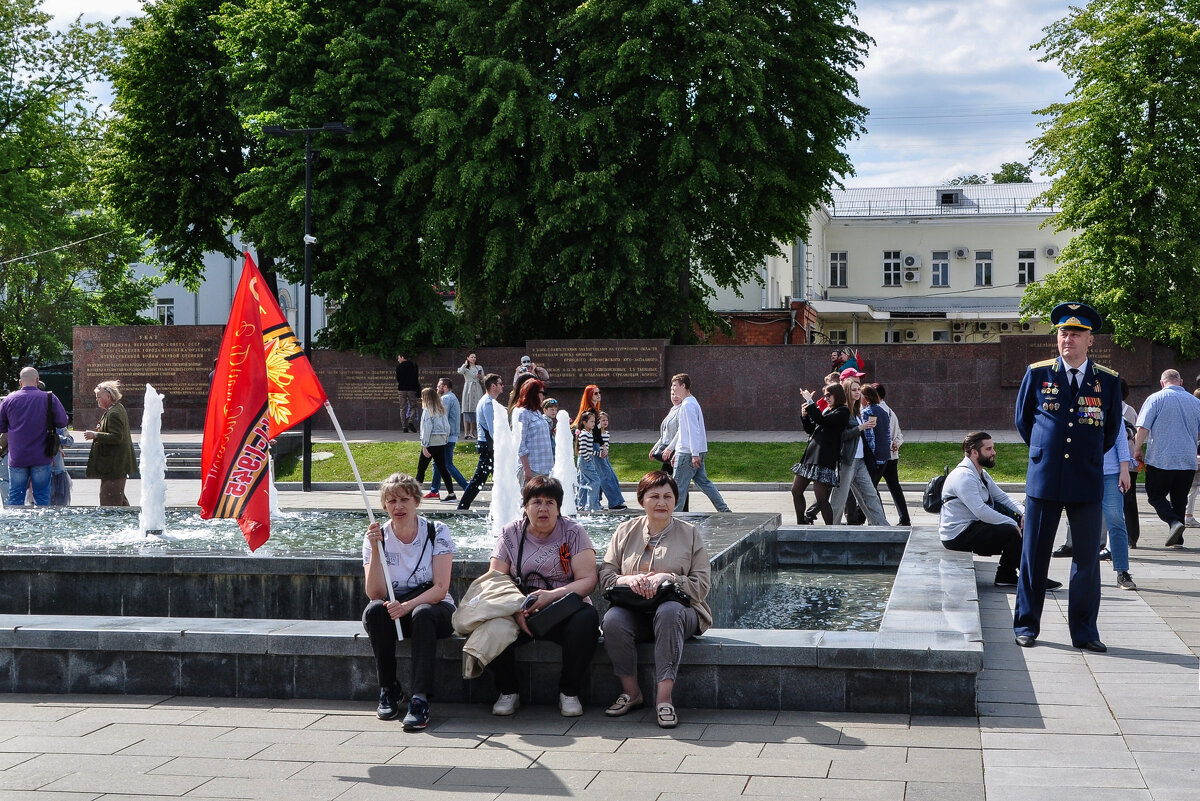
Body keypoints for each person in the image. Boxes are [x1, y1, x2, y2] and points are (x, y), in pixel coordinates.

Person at [1013, 301, 1120, 652]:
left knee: (1087, 559)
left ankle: (1085, 632)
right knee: (1034, 554)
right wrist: (1047, 450)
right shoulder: (1038, 373)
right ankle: (1027, 625)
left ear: (1091, 340)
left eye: (1075, 333)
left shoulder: (1107, 380)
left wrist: (1083, 457)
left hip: (1086, 478)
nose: (1067, 339)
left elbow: (1111, 430)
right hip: (1045, 476)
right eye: (1062, 332)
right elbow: (1024, 422)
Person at [600, 471, 711, 729]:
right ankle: (632, 692)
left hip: (681, 613)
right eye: (654, 496)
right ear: (642, 500)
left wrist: (667, 577)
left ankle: (664, 699)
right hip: (634, 610)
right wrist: (626, 580)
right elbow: (606, 572)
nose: (661, 502)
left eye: (667, 496)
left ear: (676, 500)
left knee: (670, 611)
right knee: (612, 619)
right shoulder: (625, 530)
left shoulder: (690, 534)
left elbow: (702, 585)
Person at [487, 476, 599, 717]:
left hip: (563, 608)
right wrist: (516, 609)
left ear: (558, 507)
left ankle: (569, 692)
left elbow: (588, 580)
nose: (543, 508)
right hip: (519, 608)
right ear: (525, 506)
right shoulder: (510, 534)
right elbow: (494, 579)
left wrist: (551, 596)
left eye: (550, 502)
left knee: (587, 619)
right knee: (490, 624)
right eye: (536, 501)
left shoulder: (574, 532)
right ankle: (508, 690)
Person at [362, 473, 456, 731]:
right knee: (373, 612)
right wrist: (377, 551)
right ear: (384, 506)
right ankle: (389, 689)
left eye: (404, 499)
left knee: (422, 613)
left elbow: (440, 588)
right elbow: (375, 593)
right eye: (391, 501)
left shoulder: (437, 531)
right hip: (397, 607)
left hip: (434, 607)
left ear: (417, 501)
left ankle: (420, 698)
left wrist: (406, 606)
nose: (398, 506)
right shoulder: (376, 536)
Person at [939, 432, 1062, 591]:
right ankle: (1033, 580)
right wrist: (1012, 523)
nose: (994, 453)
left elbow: (1002, 497)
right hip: (957, 535)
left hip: (972, 527)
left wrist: (1024, 513)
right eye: (989, 449)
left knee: (1019, 526)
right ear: (975, 452)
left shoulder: (980, 473)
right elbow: (981, 511)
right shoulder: (964, 476)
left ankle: (1007, 575)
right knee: (1010, 532)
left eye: (993, 448)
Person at [1134, 369, 1200, 549]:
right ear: (1181, 381)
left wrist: (1137, 449)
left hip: (1162, 458)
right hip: (1187, 459)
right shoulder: (1196, 402)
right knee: (1180, 499)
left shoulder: (1155, 399)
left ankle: (1173, 522)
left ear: (1162, 383)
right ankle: (1178, 540)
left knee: (1155, 495)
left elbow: (1143, 428)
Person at [0, 367, 69, 506]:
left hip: (17, 456)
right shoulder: (50, 398)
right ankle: (41, 527)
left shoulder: (9, 400)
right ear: (37, 380)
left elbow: (1, 426)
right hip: (42, 456)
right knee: (42, 496)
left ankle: (15, 527)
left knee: (15, 496)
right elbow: (62, 421)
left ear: (20, 382)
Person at [663, 374, 730, 513]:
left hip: (689, 452)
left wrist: (693, 454)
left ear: (683, 386)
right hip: (693, 451)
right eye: (672, 386)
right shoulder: (691, 402)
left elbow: (693, 431)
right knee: (704, 483)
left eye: (675, 385)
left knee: (678, 487)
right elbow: (684, 430)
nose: (673, 388)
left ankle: (674, 518)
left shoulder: (687, 405)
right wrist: (674, 449)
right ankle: (724, 511)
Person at [828, 376, 889, 526]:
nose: (857, 393)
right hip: (847, 460)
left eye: (858, 390)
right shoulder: (842, 411)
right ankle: (830, 528)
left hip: (860, 460)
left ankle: (883, 528)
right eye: (854, 390)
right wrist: (860, 428)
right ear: (847, 392)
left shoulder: (857, 411)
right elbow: (840, 435)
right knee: (839, 499)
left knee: (870, 495)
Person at [791, 382, 851, 525]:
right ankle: (801, 522)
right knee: (796, 490)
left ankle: (830, 530)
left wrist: (811, 402)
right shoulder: (828, 410)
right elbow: (811, 429)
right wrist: (805, 416)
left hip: (824, 458)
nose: (826, 398)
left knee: (822, 498)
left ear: (837, 395)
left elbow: (822, 421)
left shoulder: (843, 411)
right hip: (811, 456)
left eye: (828, 395)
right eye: (825, 396)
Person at [84, 380, 137, 506]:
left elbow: (117, 437)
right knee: (118, 500)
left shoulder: (114, 413)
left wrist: (95, 435)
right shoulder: (115, 409)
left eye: (99, 397)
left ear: (108, 396)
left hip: (114, 466)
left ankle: (113, 525)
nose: (97, 400)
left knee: (109, 502)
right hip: (114, 466)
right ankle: (130, 523)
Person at [458, 374, 504, 511]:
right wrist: (501, 445)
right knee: (480, 479)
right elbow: (492, 429)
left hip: (488, 446)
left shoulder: (487, 401)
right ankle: (462, 507)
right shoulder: (488, 403)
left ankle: (503, 506)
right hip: (489, 446)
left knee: (498, 478)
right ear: (493, 386)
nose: (503, 386)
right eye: (500, 383)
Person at [573, 385, 624, 507]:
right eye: (595, 393)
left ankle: (583, 503)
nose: (598, 395)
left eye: (599, 392)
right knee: (605, 474)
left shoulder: (592, 410)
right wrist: (603, 446)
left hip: (591, 446)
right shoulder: (591, 411)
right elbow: (596, 432)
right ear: (589, 395)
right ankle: (615, 502)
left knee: (586, 476)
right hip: (594, 445)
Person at [873, 384, 911, 526]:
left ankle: (875, 519)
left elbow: (882, 435)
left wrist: (893, 443)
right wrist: (896, 443)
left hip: (882, 457)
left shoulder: (876, 411)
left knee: (870, 489)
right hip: (892, 456)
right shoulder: (890, 411)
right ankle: (905, 519)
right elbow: (899, 434)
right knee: (894, 488)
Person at [429, 378, 469, 501]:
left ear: (445, 387)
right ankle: (434, 490)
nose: (437, 388)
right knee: (437, 463)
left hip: (446, 436)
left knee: (447, 464)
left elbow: (441, 418)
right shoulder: (453, 397)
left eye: (438, 386)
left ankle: (467, 488)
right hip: (451, 435)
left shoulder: (446, 399)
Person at [415, 388, 454, 502]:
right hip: (440, 442)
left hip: (430, 443)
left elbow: (426, 429)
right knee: (443, 469)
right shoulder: (441, 410)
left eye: (422, 396)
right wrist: (445, 439)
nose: (421, 398)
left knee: (421, 469)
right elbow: (447, 427)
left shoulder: (427, 411)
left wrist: (424, 445)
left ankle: (415, 495)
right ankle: (451, 494)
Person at [516, 379, 554, 482]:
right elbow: (520, 444)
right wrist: (527, 469)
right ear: (533, 394)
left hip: (545, 468)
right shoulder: (523, 413)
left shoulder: (537, 412)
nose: (544, 396)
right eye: (542, 393)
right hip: (532, 469)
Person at [594, 411, 627, 510]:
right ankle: (614, 502)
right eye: (602, 420)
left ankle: (596, 501)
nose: (605, 422)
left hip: (604, 457)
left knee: (604, 478)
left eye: (606, 420)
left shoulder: (607, 433)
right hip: (598, 456)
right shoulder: (596, 433)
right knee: (606, 477)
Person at [649, 389, 683, 478]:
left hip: (675, 452)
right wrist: (655, 447)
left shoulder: (682, 410)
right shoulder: (673, 409)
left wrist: (670, 449)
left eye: (677, 394)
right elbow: (665, 433)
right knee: (669, 480)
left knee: (671, 481)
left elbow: (681, 432)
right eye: (672, 394)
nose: (675, 397)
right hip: (667, 452)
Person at [575, 410, 602, 511]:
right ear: (584, 422)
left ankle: (581, 504)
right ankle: (591, 506)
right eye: (591, 421)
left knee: (584, 482)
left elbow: (589, 450)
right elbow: (583, 450)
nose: (593, 424)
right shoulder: (584, 434)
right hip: (585, 460)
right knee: (595, 481)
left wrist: (598, 454)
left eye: (594, 422)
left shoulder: (588, 433)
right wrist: (588, 460)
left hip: (585, 459)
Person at [457, 351, 485, 439]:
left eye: (474, 357)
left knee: (475, 410)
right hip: (468, 388)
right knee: (466, 410)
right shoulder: (465, 367)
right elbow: (460, 372)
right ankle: (466, 432)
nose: (473, 359)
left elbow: (483, 379)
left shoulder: (479, 367)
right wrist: (465, 365)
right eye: (472, 357)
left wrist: (481, 378)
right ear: (468, 358)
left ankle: (472, 432)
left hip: (477, 388)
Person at [395, 354, 421, 433]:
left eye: (399, 358)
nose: (398, 359)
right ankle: (410, 421)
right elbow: (416, 378)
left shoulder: (398, 367)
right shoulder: (414, 365)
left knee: (402, 408)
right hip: (411, 389)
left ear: (403, 357)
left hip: (402, 389)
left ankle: (404, 427)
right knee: (413, 407)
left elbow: (398, 379)